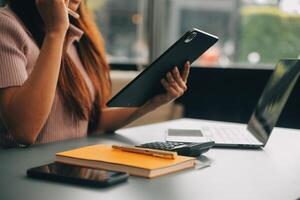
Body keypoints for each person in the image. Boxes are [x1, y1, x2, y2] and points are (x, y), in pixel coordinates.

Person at [0, 0, 190, 148]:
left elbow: (91, 122)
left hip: (71, 168)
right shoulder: (7, 25)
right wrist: (55, 32)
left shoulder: (77, 35)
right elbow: (24, 131)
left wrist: (150, 102)